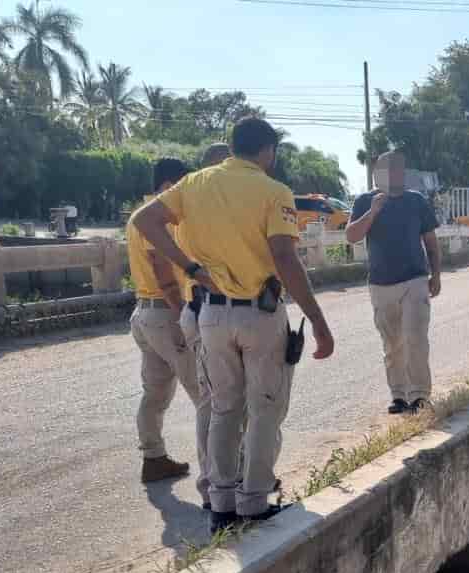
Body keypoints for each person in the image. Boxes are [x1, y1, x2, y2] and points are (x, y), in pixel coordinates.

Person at [131, 117, 335, 534]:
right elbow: (284, 255)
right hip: (259, 315)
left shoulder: (195, 184)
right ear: (268, 151)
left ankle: (221, 503)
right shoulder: (273, 191)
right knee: (264, 408)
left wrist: (188, 265)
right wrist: (317, 319)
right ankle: (254, 501)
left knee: (223, 407)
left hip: (210, 314)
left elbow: (145, 222)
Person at [345, 151, 441, 415]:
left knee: (415, 338)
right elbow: (351, 236)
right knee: (392, 344)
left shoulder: (417, 201)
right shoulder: (365, 201)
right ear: (378, 172)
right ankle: (399, 396)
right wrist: (373, 211)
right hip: (380, 284)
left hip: (415, 279)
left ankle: (419, 396)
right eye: (388, 169)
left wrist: (436, 275)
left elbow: (431, 243)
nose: (394, 173)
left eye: (398, 168)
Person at [126, 157, 201, 486]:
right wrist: (182, 312)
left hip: (144, 313)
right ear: (171, 184)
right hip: (166, 313)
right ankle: (224, 469)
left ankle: (153, 457)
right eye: (184, 184)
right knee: (205, 393)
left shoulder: (136, 217)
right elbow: (161, 267)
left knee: (155, 393)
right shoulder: (161, 219)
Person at [175, 142, 234, 507]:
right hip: (207, 310)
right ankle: (215, 486)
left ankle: (224, 481)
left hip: (204, 312)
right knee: (215, 405)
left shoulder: (189, 206)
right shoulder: (197, 208)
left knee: (221, 405)